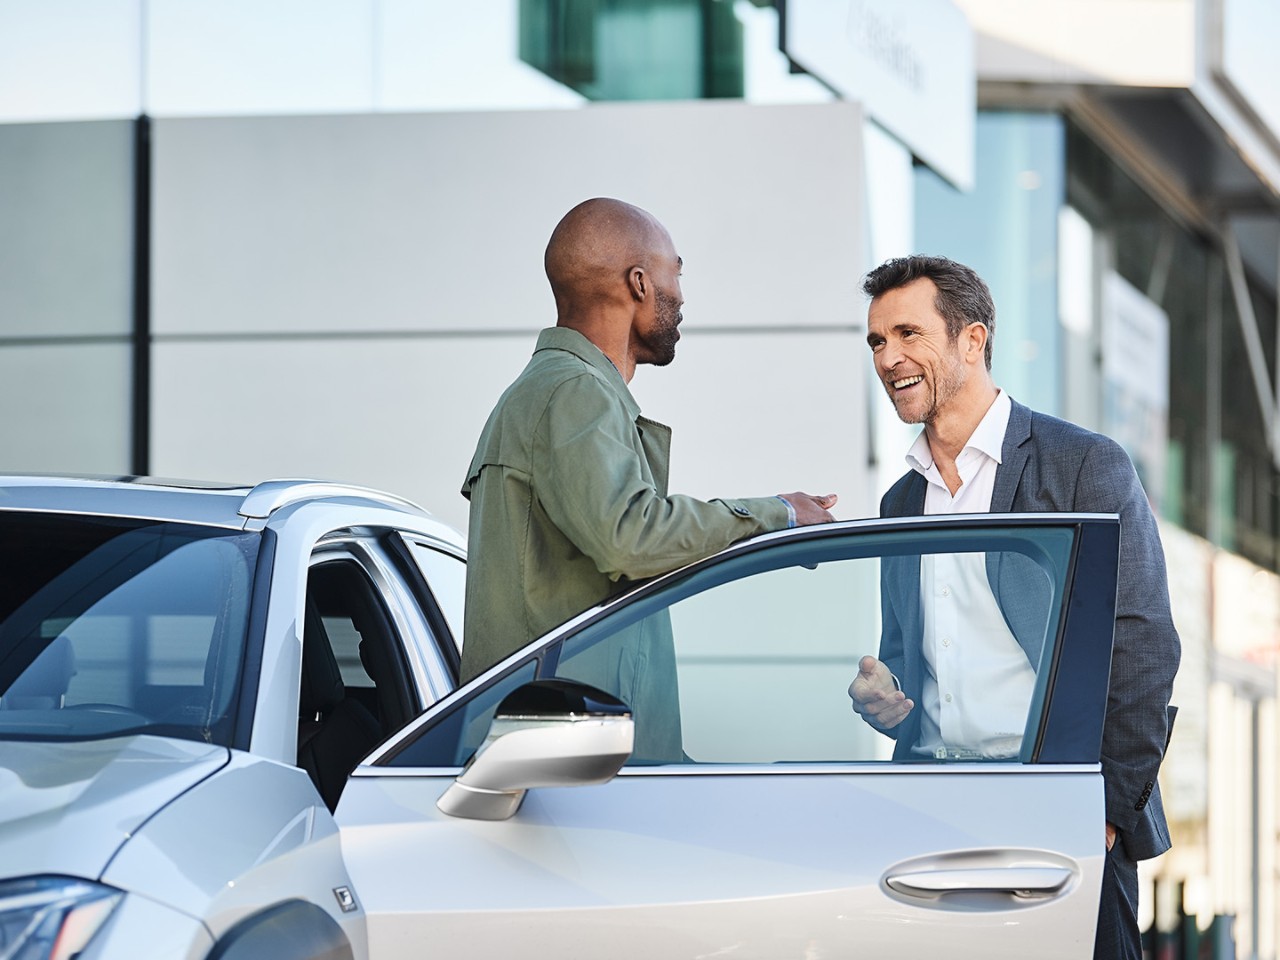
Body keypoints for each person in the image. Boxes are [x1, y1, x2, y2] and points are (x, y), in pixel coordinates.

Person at [848, 255, 1179, 959]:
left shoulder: (1083, 466)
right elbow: (908, 658)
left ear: (973, 340)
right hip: (937, 818)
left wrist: (1106, 814)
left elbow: (1144, 644)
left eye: (909, 333)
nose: (889, 357)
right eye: (877, 341)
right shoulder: (901, 501)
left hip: (1058, 815)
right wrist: (885, 695)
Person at [460, 197, 837, 686]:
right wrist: (779, 513)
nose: (681, 296)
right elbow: (630, 539)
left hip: (568, 741)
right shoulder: (574, 391)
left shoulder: (550, 390)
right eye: (675, 274)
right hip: (574, 746)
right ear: (639, 283)